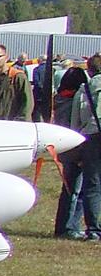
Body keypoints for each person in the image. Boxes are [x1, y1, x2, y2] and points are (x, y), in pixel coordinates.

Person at [57, 56, 101, 240]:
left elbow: (76, 119)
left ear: (89, 70)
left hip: (86, 137)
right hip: (95, 137)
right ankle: (93, 229)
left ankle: (86, 229)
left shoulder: (83, 90)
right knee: (93, 184)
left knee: (85, 185)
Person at [31, 55, 57, 123]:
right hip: (49, 95)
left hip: (38, 95)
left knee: (36, 113)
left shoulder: (36, 70)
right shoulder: (53, 69)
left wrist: (42, 89)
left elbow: (36, 82)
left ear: (40, 61)